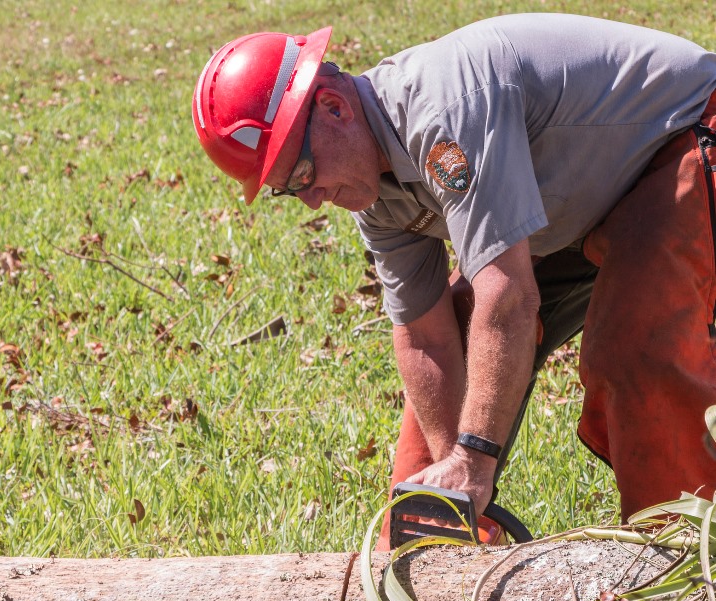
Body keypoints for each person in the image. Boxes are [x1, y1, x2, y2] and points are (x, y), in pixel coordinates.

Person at [191, 13, 716, 549]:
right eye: (288, 189)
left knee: (636, 343)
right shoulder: (370, 187)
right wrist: (449, 473)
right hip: (584, 201)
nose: (311, 197)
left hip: (685, 137)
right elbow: (425, 334)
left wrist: (474, 458)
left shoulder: (443, 109)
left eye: (301, 173)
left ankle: (682, 561)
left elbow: (508, 296)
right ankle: (434, 558)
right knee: (464, 334)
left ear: (333, 106)